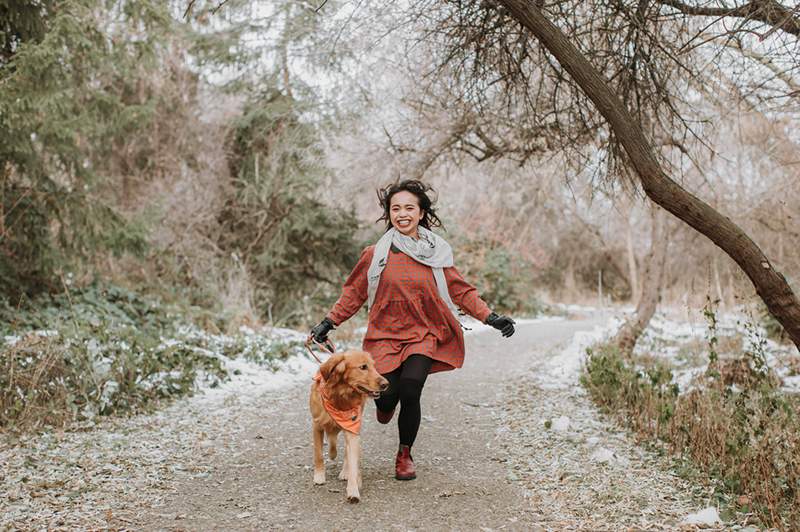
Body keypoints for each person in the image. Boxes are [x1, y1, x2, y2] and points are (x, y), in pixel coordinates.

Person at [310, 179, 515, 481]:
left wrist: (490, 316)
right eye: (396, 208)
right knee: (387, 395)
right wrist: (329, 322)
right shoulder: (375, 254)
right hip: (384, 334)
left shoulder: (436, 254)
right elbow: (354, 293)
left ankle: (404, 454)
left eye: (409, 208)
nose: (402, 213)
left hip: (423, 332)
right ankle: (384, 405)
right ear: (389, 214)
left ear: (421, 213)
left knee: (411, 387)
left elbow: (460, 290)